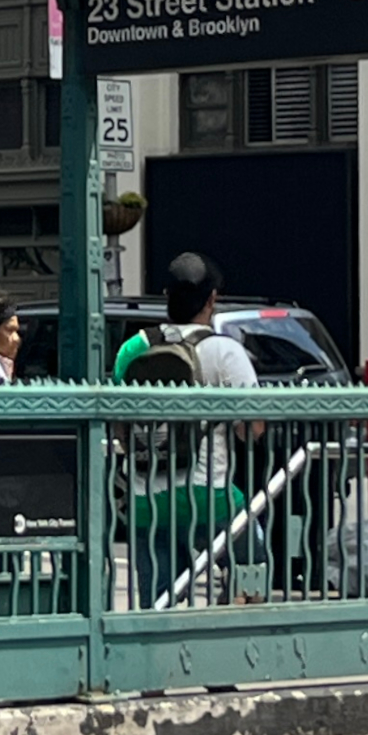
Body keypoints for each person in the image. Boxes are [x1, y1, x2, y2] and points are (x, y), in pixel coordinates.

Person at [123, 253, 262, 605]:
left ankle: (159, 647)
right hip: (208, 496)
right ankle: (238, 628)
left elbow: (121, 426)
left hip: (145, 499)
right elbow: (253, 429)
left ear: (166, 295)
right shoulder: (226, 352)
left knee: (159, 600)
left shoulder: (133, 348)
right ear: (212, 299)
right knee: (254, 564)